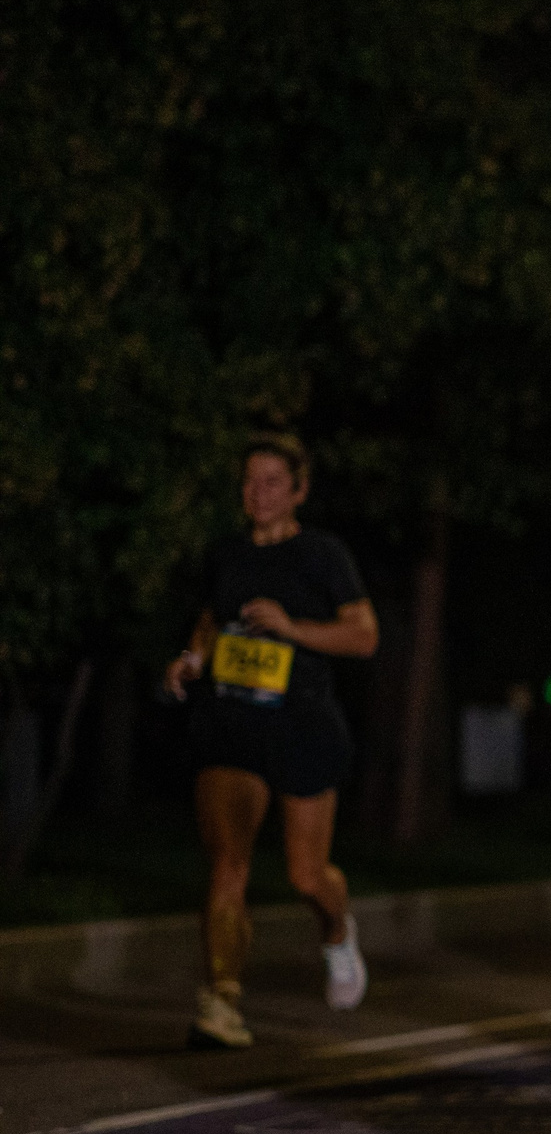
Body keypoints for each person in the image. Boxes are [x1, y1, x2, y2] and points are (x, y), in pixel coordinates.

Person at [164, 433, 379, 1049]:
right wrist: (193, 657)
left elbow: (364, 636)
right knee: (227, 863)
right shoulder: (227, 554)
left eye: (272, 482)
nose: (257, 493)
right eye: (249, 482)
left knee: (306, 876)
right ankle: (221, 1001)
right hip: (232, 725)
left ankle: (336, 931)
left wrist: (291, 627)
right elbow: (213, 618)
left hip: (302, 726)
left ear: (299, 491)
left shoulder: (322, 554)